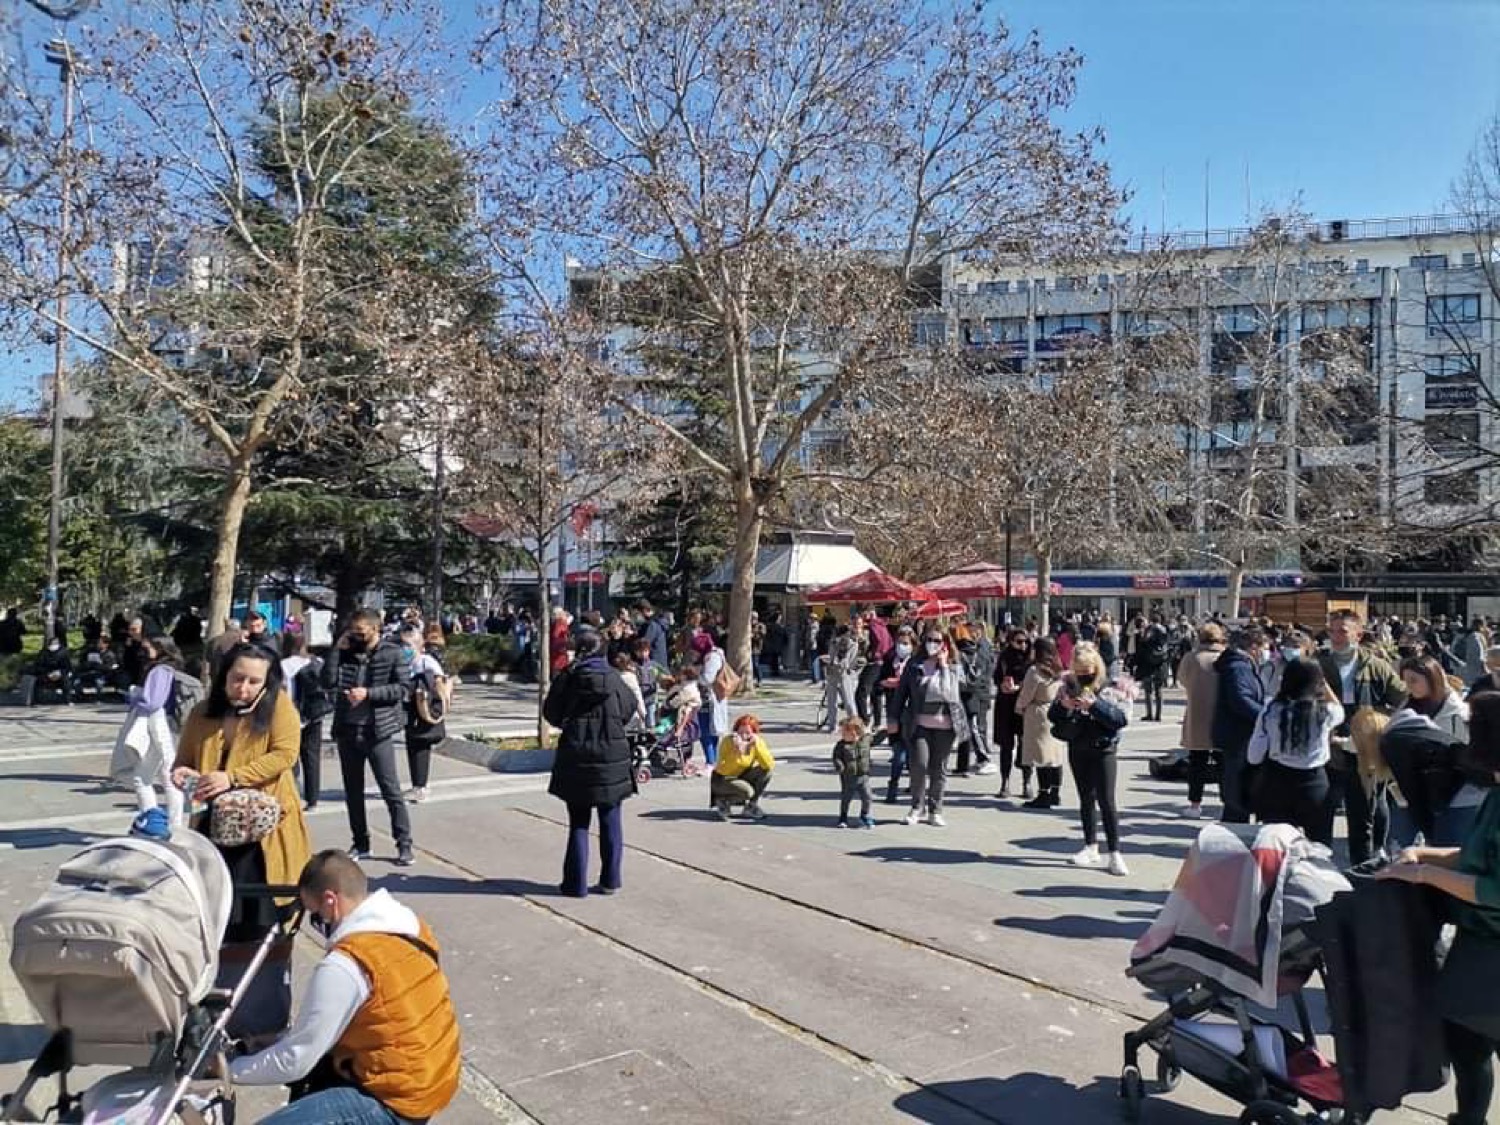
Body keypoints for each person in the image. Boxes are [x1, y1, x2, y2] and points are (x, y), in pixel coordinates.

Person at [228, 850, 461, 1125]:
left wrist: (229, 1069)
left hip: (395, 1099)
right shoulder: (409, 927)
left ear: (330, 900)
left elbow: (295, 1060)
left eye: (314, 913)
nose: (316, 924)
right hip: (434, 1077)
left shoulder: (347, 963)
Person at [1376, 690, 1500, 1125]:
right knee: (1465, 1041)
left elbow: (1494, 888)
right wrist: (1425, 856)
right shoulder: (1497, 793)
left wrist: (1426, 875)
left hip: (1492, 947)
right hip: (1479, 942)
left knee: (1471, 1037)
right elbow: (1476, 855)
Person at [172, 644, 312, 943]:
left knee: (258, 920)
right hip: (213, 827)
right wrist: (184, 775)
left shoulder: (280, 707)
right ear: (224, 676)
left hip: (263, 832)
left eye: (254, 681)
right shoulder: (201, 713)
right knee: (216, 914)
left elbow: (285, 755)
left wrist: (233, 778)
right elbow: (183, 761)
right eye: (237, 678)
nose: (243, 688)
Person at [544, 628, 637, 897]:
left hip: (577, 754)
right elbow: (629, 709)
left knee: (579, 822)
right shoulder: (615, 678)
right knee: (611, 819)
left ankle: (575, 884)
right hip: (612, 754)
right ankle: (611, 880)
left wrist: (568, 722)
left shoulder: (568, 677)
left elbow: (551, 712)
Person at [322, 609, 414, 867]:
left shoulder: (392, 652)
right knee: (353, 792)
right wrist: (336, 650)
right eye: (353, 631)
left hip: (378, 731)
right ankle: (360, 842)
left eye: (361, 632)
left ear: (376, 629)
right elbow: (327, 682)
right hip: (347, 731)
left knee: (390, 789)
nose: (357, 636)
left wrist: (369, 693)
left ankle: (404, 843)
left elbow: (404, 688)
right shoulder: (346, 652)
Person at [1317, 609, 1406, 865]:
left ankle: (1365, 862)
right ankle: (1320, 863)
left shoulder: (1376, 666)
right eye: (1332, 631)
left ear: (1358, 634)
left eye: (1342, 631)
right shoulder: (1318, 664)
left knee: (1365, 809)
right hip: (1328, 747)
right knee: (1323, 808)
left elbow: (1402, 698)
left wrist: (1379, 722)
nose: (1336, 637)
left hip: (1366, 748)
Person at [1048, 642, 1130, 875]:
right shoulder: (1067, 686)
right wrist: (1064, 707)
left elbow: (1119, 719)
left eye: (1088, 670)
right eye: (1079, 670)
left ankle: (1115, 853)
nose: (1083, 675)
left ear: (1097, 667)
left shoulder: (1111, 687)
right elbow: (1053, 716)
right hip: (1078, 746)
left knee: (1107, 800)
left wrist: (1095, 706)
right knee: (1086, 798)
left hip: (1103, 748)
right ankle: (1090, 846)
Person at [1382, 654, 1477, 848]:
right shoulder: (1405, 711)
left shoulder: (1460, 713)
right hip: (1408, 795)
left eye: (1414, 680)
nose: (1408, 686)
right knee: (1403, 851)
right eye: (1405, 681)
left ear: (1432, 678)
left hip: (1452, 796)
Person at [1247, 658, 1344, 844]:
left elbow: (1254, 756)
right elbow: (1340, 710)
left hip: (1277, 783)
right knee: (1320, 846)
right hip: (1314, 783)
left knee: (1275, 846)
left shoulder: (1272, 710)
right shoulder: (1326, 713)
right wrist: (1325, 687)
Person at [887, 627, 971, 828]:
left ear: (945, 644)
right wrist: (893, 718)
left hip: (945, 725)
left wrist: (943, 666)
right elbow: (901, 693)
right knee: (919, 765)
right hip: (919, 723)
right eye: (929, 639)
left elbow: (956, 691)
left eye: (937, 640)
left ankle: (936, 809)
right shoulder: (914, 665)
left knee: (938, 769)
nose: (933, 643)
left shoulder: (954, 665)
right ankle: (917, 806)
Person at [113, 636, 187, 828]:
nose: (144, 651)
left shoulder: (159, 670)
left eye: (147, 648)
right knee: (167, 776)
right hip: (169, 724)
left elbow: (153, 702)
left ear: (160, 648)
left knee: (144, 778)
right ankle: (174, 824)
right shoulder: (173, 668)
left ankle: (153, 821)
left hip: (157, 724)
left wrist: (135, 697)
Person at [1211, 628, 1268, 824]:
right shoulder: (1238, 667)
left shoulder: (1242, 665)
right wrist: (1265, 715)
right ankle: (1235, 827)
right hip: (1238, 734)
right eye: (1263, 647)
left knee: (1239, 785)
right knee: (1236, 787)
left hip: (1240, 733)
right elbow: (1241, 699)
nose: (1265, 652)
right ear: (1254, 647)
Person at [1177, 623, 1227, 819]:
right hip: (1221, 716)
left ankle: (1195, 804)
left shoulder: (1192, 658)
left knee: (1197, 763)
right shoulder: (1225, 657)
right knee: (1224, 763)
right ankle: (1226, 802)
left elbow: (1182, 679)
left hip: (1197, 714)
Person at [400, 625, 449, 805]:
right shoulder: (407, 664)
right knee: (413, 746)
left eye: (408, 645)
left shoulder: (425, 662)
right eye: (402, 645)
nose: (404, 649)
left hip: (424, 711)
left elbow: (440, 685)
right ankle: (417, 784)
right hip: (412, 711)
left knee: (420, 747)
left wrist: (440, 709)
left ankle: (421, 786)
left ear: (419, 645)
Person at [281, 633, 329, 811]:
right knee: (312, 757)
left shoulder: (284, 665)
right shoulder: (317, 662)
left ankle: (292, 793)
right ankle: (313, 799)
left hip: (292, 714)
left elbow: (284, 690)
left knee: (290, 757)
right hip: (314, 715)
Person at [1019, 636, 1067, 809]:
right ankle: (1055, 792)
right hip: (1054, 711)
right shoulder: (1058, 669)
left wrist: (1020, 707)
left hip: (1038, 712)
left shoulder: (1035, 671)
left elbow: (1027, 695)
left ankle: (1043, 793)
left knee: (1041, 756)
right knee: (1055, 756)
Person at [994, 629, 1034, 800]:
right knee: (1006, 745)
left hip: (1024, 705)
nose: (1023, 645)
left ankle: (1027, 782)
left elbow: (1034, 682)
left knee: (1025, 744)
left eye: (1025, 641)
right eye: (1018, 641)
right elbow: (996, 676)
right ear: (1010, 641)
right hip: (1005, 704)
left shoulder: (1031, 660)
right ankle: (1005, 782)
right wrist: (1001, 684)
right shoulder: (1004, 658)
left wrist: (1019, 687)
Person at [711, 714, 775, 820]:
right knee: (748, 791)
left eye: (747, 733)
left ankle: (751, 806)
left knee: (766, 772)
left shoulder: (756, 743)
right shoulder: (728, 741)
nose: (744, 736)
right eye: (740, 732)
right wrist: (737, 752)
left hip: (742, 775)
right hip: (723, 779)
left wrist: (756, 745)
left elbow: (768, 764)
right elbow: (723, 769)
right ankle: (723, 801)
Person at [878, 626, 917, 803]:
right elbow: (879, 682)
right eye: (900, 642)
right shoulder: (889, 659)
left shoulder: (917, 662)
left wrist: (902, 682)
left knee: (912, 752)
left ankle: (912, 783)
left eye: (906, 643)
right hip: (894, 709)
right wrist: (887, 683)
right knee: (899, 750)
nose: (902, 646)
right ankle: (893, 786)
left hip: (913, 712)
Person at [954, 622, 997, 777]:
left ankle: (983, 758)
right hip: (973, 693)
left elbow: (982, 673)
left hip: (975, 693)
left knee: (975, 727)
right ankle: (962, 764)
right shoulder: (979, 648)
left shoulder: (979, 649)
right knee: (966, 728)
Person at [693, 630, 731, 765]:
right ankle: (713, 760)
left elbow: (707, 679)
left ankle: (711, 761)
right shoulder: (716, 654)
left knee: (706, 732)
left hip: (710, 698)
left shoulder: (712, 657)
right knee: (711, 730)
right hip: (711, 697)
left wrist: (694, 676)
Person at [819, 622, 862, 733]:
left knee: (848, 701)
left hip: (845, 675)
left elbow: (847, 661)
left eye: (842, 636)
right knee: (831, 701)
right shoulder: (833, 643)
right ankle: (832, 726)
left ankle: (856, 725)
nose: (840, 639)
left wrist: (835, 662)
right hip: (832, 674)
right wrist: (829, 661)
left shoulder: (853, 644)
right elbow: (830, 655)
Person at [832, 716, 874, 829]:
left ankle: (864, 815)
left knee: (868, 797)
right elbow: (836, 757)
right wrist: (839, 766)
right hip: (848, 777)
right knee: (846, 798)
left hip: (863, 776)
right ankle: (843, 817)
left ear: (856, 732)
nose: (843, 736)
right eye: (843, 733)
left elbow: (876, 738)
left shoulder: (865, 741)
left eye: (846, 733)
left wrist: (884, 731)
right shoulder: (841, 746)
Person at [1135, 614, 1171, 722]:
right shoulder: (1165, 632)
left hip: (1148, 663)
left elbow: (1142, 647)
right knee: (1159, 690)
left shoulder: (1147, 632)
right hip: (1161, 664)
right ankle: (1158, 715)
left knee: (1148, 690)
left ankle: (1149, 714)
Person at [32, 633, 74, 704]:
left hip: (60, 674)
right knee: (37, 682)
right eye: (51, 645)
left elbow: (67, 666)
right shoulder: (44, 653)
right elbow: (38, 665)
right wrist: (47, 673)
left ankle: (67, 700)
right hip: (47, 674)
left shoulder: (63, 653)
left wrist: (60, 673)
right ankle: (35, 700)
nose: (52, 647)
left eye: (54, 645)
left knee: (66, 682)